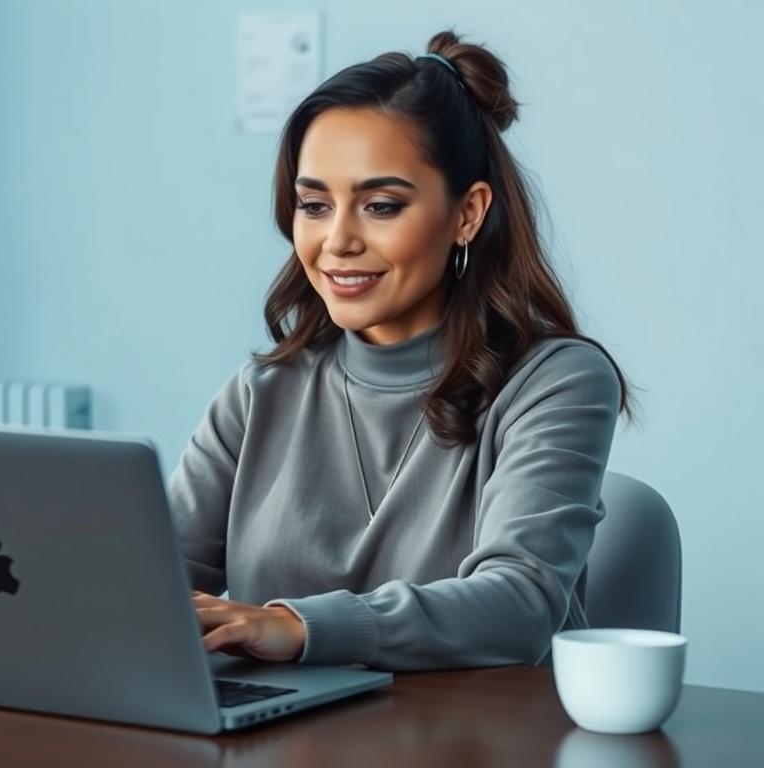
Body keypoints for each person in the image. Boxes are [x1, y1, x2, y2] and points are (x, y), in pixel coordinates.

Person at [168, 29, 635, 672]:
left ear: (467, 213)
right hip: (285, 740)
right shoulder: (261, 391)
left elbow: (520, 604)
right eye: (313, 205)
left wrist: (297, 627)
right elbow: (147, 579)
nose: (336, 242)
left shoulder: (557, 382)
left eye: (381, 205)